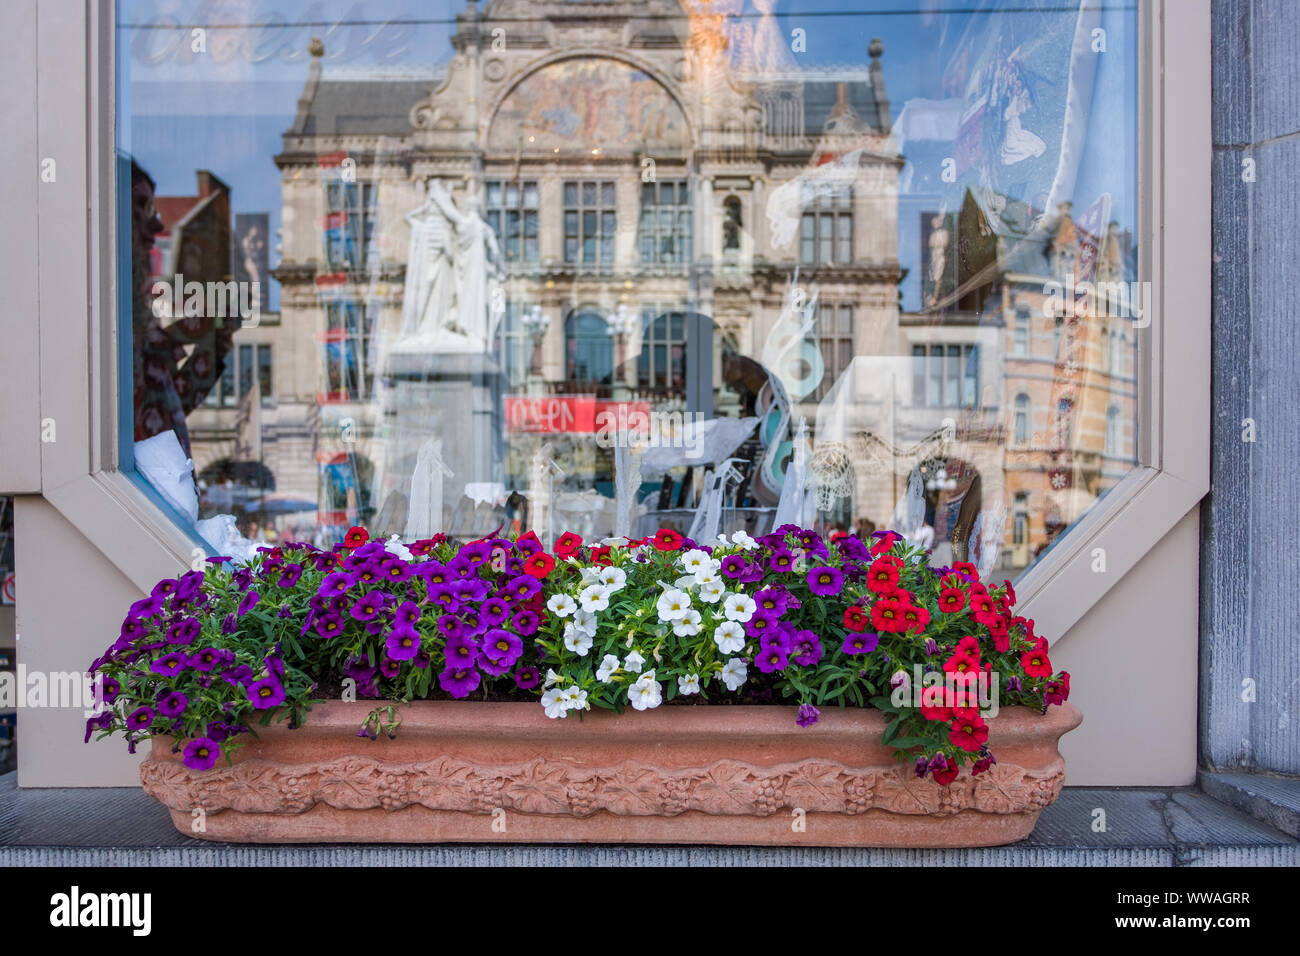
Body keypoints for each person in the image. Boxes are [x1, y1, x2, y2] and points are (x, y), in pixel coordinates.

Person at [130, 160, 233, 458]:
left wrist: (214, 347)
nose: (156, 226)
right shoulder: (105, 325)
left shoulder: (130, 327)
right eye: (140, 206)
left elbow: (162, 411)